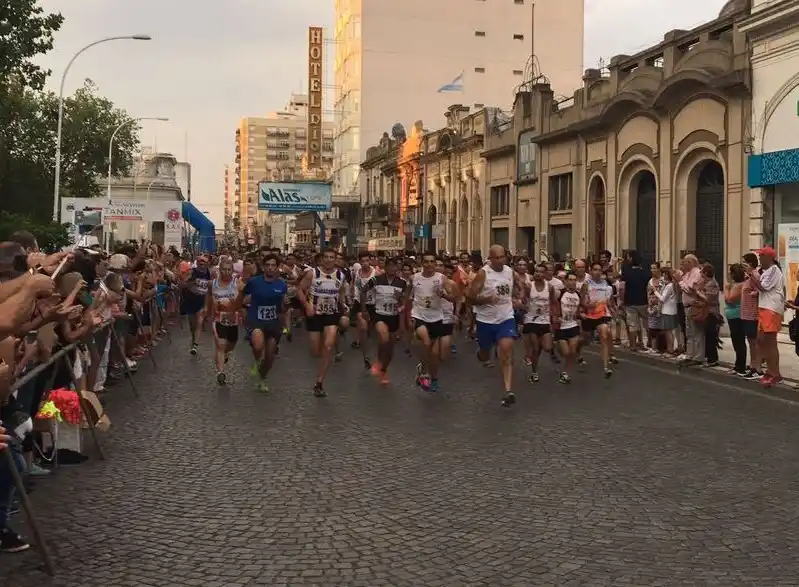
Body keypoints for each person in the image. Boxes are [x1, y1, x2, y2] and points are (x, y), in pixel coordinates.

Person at [468, 244, 521, 407]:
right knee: (485, 354)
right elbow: (470, 297)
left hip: (506, 318)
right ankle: (482, 352)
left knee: (506, 350)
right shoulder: (483, 274)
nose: (499, 260)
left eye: (502, 257)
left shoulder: (510, 272)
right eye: (496, 258)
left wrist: (517, 297)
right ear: (490, 258)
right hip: (485, 320)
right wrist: (485, 299)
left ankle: (508, 391)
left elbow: (516, 287)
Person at [299, 249, 348, 397]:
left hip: (331, 314)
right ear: (322, 259)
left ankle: (319, 382)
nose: (328, 260)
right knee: (316, 351)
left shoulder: (340, 275)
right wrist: (307, 306)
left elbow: (341, 292)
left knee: (328, 346)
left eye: (332, 257)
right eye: (326, 257)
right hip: (315, 314)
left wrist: (344, 305)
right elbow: (300, 290)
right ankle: (321, 362)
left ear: (335, 259)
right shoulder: (312, 273)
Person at [236, 253, 287, 392]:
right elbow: (242, 296)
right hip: (256, 320)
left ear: (277, 267)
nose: (270, 268)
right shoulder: (254, 282)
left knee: (269, 357)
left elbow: (282, 307)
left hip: (273, 322)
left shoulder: (281, 284)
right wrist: (242, 309)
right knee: (258, 346)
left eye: (273, 265)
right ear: (263, 267)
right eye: (268, 265)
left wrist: (284, 323)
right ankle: (258, 360)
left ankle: (262, 378)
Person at [410, 253, 453, 392]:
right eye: (426, 262)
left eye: (432, 262)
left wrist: (444, 294)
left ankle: (433, 378)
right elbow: (407, 296)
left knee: (434, 354)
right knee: (426, 342)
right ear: (422, 263)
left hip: (436, 317)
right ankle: (423, 373)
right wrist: (405, 313)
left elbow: (453, 297)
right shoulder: (414, 278)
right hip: (418, 315)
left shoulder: (441, 278)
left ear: (435, 263)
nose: (429, 264)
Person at [360, 257, 407, 384]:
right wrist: (364, 310)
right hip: (379, 314)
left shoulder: (402, 283)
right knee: (384, 338)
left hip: (393, 316)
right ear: (385, 267)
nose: (392, 268)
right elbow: (363, 291)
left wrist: (400, 299)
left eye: (395, 266)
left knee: (390, 347)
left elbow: (404, 303)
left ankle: (384, 368)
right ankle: (380, 362)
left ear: (398, 268)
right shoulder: (376, 280)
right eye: (389, 266)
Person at [749, 246, 784, 386]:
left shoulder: (774, 270)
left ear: (768, 257)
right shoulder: (766, 271)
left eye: (761, 256)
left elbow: (764, 287)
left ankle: (775, 373)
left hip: (771, 309)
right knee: (761, 340)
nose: (759, 258)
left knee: (770, 342)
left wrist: (751, 275)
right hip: (764, 308)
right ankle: (770, 371)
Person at [207, 257, 239, 385]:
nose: (226, 272)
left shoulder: (237, 283)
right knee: (220, 344)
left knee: (231, 344)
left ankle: (225, 354)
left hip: (233, 319)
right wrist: (208, 311)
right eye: (224, 269)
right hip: (218, 319)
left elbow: (242, 300)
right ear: (219, 270)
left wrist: (233, 304)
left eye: (229, 269)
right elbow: (209, 298)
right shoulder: (213, 284)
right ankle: (220, 372)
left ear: (232, 270)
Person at [579, 262, 615, 378]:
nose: (597, 272)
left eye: (599, 270)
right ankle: (578, 350)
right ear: (590, 271)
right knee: (586, 340)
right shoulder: (586, 284)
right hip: (589, 316)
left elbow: (608, 299)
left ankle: (606, 368)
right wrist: (587, 306)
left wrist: (612, 310)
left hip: (601, 315)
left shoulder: (605, 283)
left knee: (604, 335)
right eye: (595, 269)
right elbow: (581, 301)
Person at [522, 263, 556, 383]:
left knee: (547, 347)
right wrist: (525, 305)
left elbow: (553, 302)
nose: (538, 274)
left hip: (544, 320)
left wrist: (554, 317)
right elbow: (524, 299)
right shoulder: (529, 286)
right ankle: (534, 372)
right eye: (536, 271)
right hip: (531, 320)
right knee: (535, 348)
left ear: (545, 274)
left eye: (541, 272)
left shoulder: (550, 287)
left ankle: (534, 353)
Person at [180, 255, 212, 355]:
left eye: (204, 261)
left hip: (201, 301)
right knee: (192, 325)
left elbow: (209, 291)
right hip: (190, 301)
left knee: (199, 321)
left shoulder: (210, 273)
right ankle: (194, 340)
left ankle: (195, 345)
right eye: (200, 261)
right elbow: (182, 285)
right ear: (197, 263)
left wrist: (207, 305)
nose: (202, 263)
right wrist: (193, 282)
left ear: (207, 263)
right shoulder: (191, 272)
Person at [554, 273, 581, 383]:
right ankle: (556, 347)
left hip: (573, 325)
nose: (573, 282)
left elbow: (578, 310)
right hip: (561, 327)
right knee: (566, 353)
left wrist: (580, 316)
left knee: (572, 352)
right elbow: (552, 305)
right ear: (565, 281)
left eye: (574, 280)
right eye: (570, 279)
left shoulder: (578, 295)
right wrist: (555, 317)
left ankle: (566, 373)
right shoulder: (560, 293)